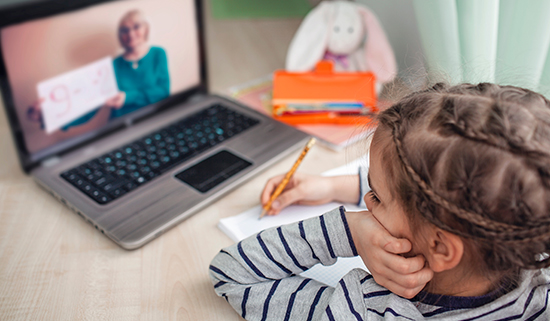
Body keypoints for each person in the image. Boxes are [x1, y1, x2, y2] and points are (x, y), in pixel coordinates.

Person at [209, 83, 550, 320]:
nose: (366, 204)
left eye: (375, 196)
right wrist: (337, 187)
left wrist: (348, 230)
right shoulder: (534, 271)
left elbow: (232, 274)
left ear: (441, 248)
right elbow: (427, 200)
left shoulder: (367, 310)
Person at [28, 9, 170, 132]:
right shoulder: (111, 66)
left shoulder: (158, 53)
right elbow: (89, 107)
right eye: (124, 30)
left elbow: (163, 91)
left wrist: (127, 97)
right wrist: (51, 116)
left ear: (146, 29)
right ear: (120, 36)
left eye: (136, 27)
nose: (131, 33)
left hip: (155, 122)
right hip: (121, 129)